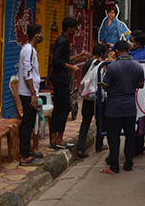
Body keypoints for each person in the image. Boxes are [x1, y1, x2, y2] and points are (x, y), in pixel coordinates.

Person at [100, 40, 145, 175]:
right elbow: (141, 85)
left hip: (114, 107)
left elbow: (105, 85)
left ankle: (114, 166)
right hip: (130, 107)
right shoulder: (138, 66)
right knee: (130, 135)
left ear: (117, 51)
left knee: (113, 137)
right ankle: (128, 163)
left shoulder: (112, 67)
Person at [50, 17, 88, 149]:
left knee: (60, 108)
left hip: (60, 78)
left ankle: (55, 139)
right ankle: (58, 139)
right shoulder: (63, 41)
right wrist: (71, 67)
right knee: (64, 107)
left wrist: (78, 56)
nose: (75, 31)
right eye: (74, 28)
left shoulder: (63, 40)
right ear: (69, 28)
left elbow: (63, 58)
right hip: (60, 79)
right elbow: (56, 61)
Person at [18, 24, 44, 166]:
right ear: (36, 35)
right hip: (28, 93)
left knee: (29, 122)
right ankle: (25, 157)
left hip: (28, 91)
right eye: (40, 33)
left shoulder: (29, 49)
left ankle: (26, 151)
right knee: (28, 123)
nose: (41, 36)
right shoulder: (28, 50)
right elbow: (27, 72)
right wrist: (33, 93)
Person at [76, 43, 107, 159]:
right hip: (98, 97)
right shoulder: (100, 64)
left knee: (85, 122)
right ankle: (99, 144)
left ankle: (80, 148)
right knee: (101, 122)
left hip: (87, 96)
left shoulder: (87, 63)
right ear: (101, 53)